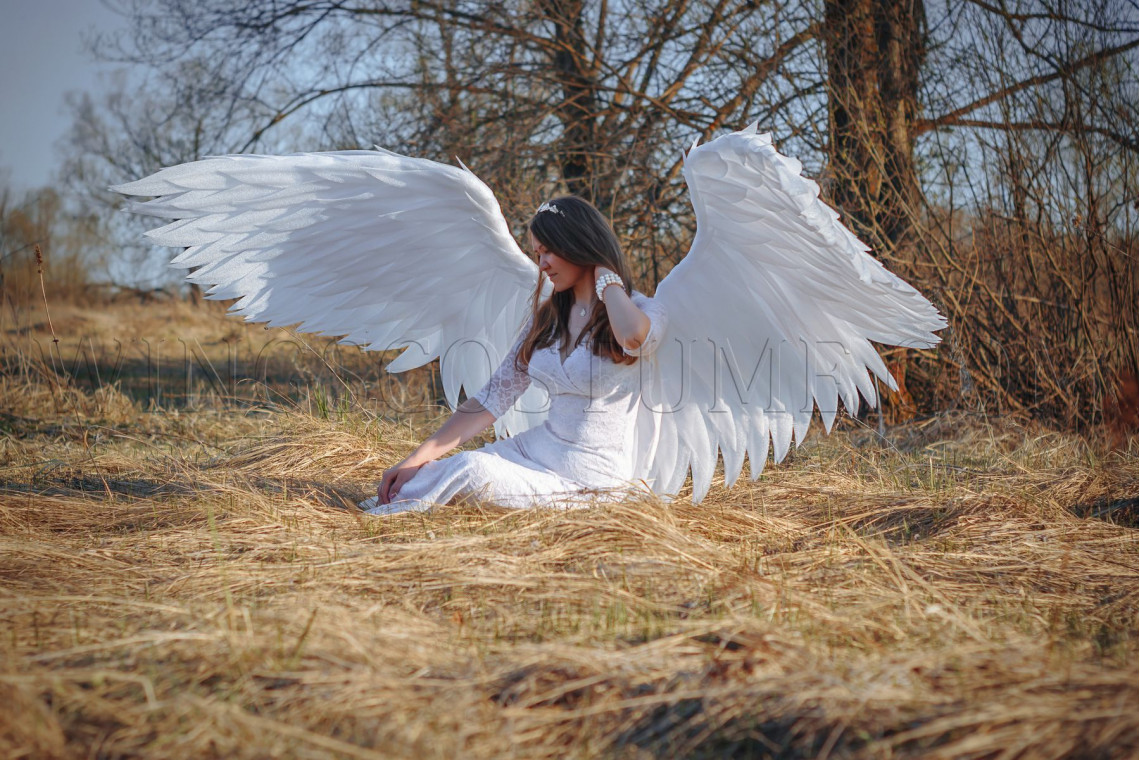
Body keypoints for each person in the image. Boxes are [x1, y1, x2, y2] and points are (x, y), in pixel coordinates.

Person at [368, 196, 667, 514]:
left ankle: (382, 531)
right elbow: (492, 398)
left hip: (589, 483)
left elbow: (634, 337)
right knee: (422, 479)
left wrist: (606, 279)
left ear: (580, 244)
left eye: (549, 251)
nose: (542, 264)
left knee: (472, 470)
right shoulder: (548, 317)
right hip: (533, 452)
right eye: (538, 254)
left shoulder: (641, 310)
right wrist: (417, 458)